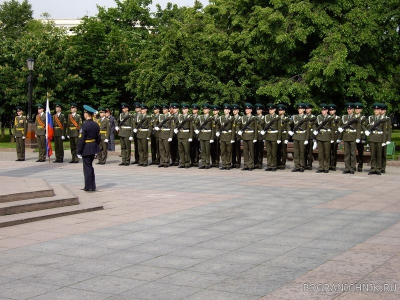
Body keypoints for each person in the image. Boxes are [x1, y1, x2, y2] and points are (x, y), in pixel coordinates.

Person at [77, 105, 100, 192]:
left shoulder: (84, 125)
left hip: (86, 148)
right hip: (93, 147)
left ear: (86, 114)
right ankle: (92, 185)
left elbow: (81, 139)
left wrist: (79, 151)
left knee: (87, 168)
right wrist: (95, 145)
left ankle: (88, 186)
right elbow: (99, 138)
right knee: (90, 166)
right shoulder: (96, 124)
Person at [338, 103, 361, 174]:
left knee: (352, 153)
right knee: (346, 153)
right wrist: (339, 128)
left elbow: (358, 128)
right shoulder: (344, 117)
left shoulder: (356, 116)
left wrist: (358, 137)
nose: (349, 110)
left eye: (350, 109)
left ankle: (352, 167)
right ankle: (347, 167)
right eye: (348, 109)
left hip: (353, 136)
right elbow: (340, 124)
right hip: (346, 136)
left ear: (353, 110)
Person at [365, 103, 387, 175]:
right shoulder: (370, 118)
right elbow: (364, 124)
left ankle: (378, 168)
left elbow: (384, 130)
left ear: (380, 110)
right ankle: (373, 168)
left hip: (380, 138)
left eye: (377, 109)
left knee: (379, 154)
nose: (376, 111)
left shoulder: (383, 118)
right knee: (373, 154)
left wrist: (384, 140)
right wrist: (366, 130)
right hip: (372, 137)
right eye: (375, 109)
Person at [313, 104, 334, 173]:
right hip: (320, 136)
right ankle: (321, 167)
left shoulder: (330, 117)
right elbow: (314, 124)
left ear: (327, 110)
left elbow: (332, 128)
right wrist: (315, 130)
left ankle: (326, 167)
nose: (323, 111)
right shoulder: (318, 117)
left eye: (324, 110)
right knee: (320, 153)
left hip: (327, 136)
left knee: (327, 153)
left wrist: (332, 137)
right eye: (322, 110)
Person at [237, 103, 258, 171]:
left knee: (251, 151)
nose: (247, 110)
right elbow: (238, 125)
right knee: (245, 151)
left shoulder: (254, 118)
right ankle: (246, 164)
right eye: (246, 109)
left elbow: (255, 128)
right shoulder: (243, 117)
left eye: (248, 109)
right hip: (244, 136)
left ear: (251, 110)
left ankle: (250, 165)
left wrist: (255, 137)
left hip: (251, 136)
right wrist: (239, 131)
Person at [289, 103, 309, 172]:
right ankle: (296, 166)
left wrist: (306, 138)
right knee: (296, 152)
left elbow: (307, 129)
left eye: (301, 109)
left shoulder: (306, 117)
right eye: (299, 109)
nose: (299, 110)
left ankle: (302, 166)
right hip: (296, 136)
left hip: (302, 136)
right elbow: (289, 124)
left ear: (303, 109)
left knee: (302, 152)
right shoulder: (295, 117)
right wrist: (289, 131)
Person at [194, 103, 215, 169]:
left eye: (206, 109)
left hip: (208, 135)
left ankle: (207, 163)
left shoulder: (211, 118)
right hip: (201, 135)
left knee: (207, 150)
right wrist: (196, 129)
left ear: (209, 110)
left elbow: (213, 129)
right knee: (202, 150)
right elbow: (194, 123)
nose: (204, 110)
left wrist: (212, 137)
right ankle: (203, 163)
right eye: (204, 109)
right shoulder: (200, 117)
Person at [262, 103, 280, 171]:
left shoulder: (277, 117)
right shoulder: (266, 116)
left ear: (274, 110)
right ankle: (269, 165)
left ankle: (274, 165)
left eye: (271, 109)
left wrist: (278, 138)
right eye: (269, 109)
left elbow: (279, 129)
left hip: (274, 136)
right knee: (268, 152)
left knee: (274, 152)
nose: (270, 110)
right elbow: (262, 124)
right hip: (267, 136)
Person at [217, 104, 236, 170]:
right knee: (223, 151)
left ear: (229, 110)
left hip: (229, 136)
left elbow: (233, 129)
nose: (225, 111)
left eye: (227, 109)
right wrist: (217, 131)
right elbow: (218, 125)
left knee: (229, 151)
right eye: (224, 109)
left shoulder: (232, 118)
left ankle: (228, 164)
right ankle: (224, 164)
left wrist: (232, 138)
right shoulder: (221, 118)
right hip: (222, 136)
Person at [175, 103, 193, 168]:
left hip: (186, 135)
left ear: (187, 110)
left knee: (186, 150)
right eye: (183, 109)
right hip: (180, 135)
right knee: (180, 150)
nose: (184, 110)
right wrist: (175, 129)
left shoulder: (190, 117)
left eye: (185, 109)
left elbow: (191, 128)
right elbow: (176, 123)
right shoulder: (179, 116)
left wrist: (190, 137)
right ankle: (182, 163)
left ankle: (187, 163)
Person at [354, 102, 367, 172]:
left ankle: (360, 165)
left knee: (360, 152)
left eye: (358, 108)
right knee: (353, 152)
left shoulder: (363, 118)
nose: (357, 110)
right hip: (353, 136)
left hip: (361, 136)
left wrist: (364, 137)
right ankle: (353, 165)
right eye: (356, 108)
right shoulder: (352, 117)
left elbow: (364, 127)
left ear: (361, 110)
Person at [277, 104, 290, 170]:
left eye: (281, 110)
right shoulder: (276, 118)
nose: (280, 111)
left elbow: (288, 128)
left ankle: (283, 163)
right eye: (279, 110)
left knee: (283, 151)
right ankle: (278, 163)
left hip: (284, 135)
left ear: (284, 111)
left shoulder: (286, 118)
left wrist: (287, 138)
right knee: (277, 150)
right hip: (277, 136)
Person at [328, 104, 341, 171]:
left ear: (335, 111)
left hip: (335, 137)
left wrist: (339, 138)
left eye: (332, 110)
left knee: (334, 151)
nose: (331, 111)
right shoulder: (328, 118)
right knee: (328, 151)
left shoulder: (337, 118)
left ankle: (333, 165)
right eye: (330, 110)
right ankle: (329, 164)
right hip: (329, 136)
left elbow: (339, 129)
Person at [304, 103, 316, 170]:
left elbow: (314, 125)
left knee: (310, 151)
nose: (307, 110)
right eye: (306, 109)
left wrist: (314, 133)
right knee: (304, 150)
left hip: (311, 135)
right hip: (304, 135)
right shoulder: (304, 116)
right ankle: (304, 164)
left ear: (311, 109)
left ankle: (309, 164)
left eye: (308, 108)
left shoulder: (313, 117)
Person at [380, 103, 391, 173]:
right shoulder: (377, 118)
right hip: (378, 137)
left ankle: (383, 167)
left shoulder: (387, 119)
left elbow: (389, 130)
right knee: (378, 153)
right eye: (380, 110)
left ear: (385, 111)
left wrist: (388, 139)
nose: (381, 111)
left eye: (383, 110)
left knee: (383, 153)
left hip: (384, 138)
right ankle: (378, 166)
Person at [254, 103, 265, 169]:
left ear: (261, 110)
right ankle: (255, 163)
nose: (258, 111)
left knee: (260, 150)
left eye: (259, 109)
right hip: (255, 135)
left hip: (261, 135)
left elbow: (262, 124)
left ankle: (260, 163)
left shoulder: (264, 118)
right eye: (257, 109)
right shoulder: (255, 117)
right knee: (255, 150)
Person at [231, 104, 242, 168]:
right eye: (233, 110)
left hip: (237, 135)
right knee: (233, 149)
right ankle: (233, 162)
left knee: (238, 149)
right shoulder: (231, 118)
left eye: (235, 110)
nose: (234, 111)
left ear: (238, 111)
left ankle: (238, 162)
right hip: (232, 135)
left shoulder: (240, 118)